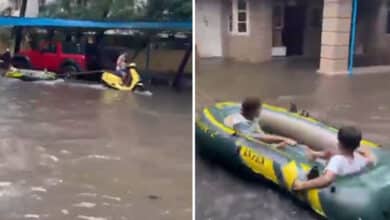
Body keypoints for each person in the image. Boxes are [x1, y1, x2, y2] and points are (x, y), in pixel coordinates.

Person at [293, 126, 376, 191]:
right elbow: (371, 158)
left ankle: (313, 154)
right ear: (358, 145)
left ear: (339, 144)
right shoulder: (361, 159)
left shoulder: (337, 160)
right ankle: (314, 154)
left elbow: (327, 179)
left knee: (329, 159)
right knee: (331, 153)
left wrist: (302, 185)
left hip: (337, 181)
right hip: (348, 173)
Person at [224, 97, 297, 148]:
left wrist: (290, 115)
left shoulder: (251, 118)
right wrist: (281, 140)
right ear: (251, 111)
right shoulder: (240, 123)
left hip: (258, 139)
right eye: (258, 109)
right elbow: (254, 139)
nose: (260, 111)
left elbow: (261, 133)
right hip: (244, 145)